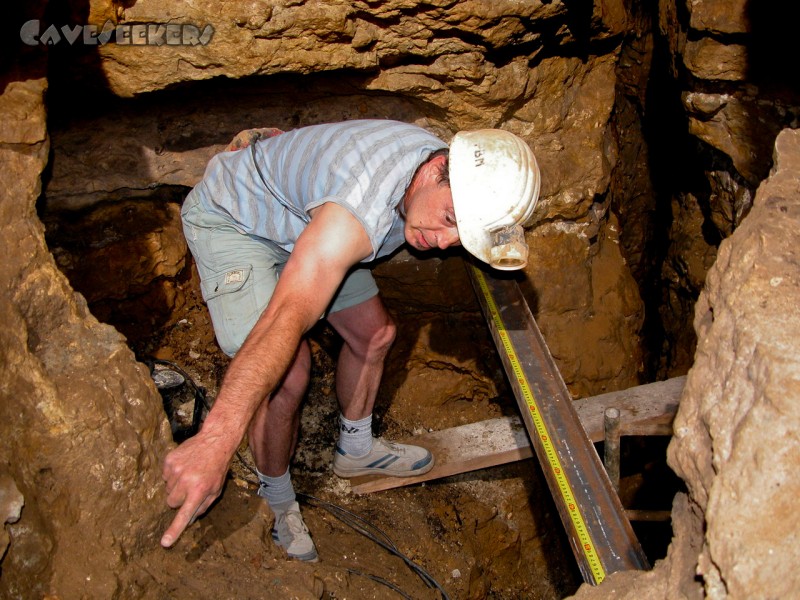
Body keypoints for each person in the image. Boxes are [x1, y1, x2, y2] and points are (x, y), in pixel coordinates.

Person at [160, 119, 541, 562]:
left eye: (462, 237)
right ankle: (277, 501)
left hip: (305, 224)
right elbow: (286, 316)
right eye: (449, 220)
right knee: (288, 374)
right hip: (238, 222)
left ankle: (356, 451)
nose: (442, 244)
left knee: (375, 335)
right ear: (436, 169)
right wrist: (215, 440)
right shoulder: (359, 207)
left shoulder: (459, 168)